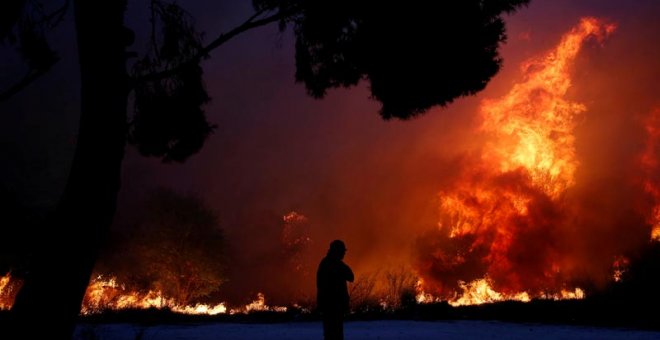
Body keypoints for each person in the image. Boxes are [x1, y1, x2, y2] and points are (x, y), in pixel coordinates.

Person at [316, 239, 354, 340]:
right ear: (337, 252)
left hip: (328, 306)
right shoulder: (336, 265)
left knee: (330, 334)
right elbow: (351, 276)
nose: (343, 254)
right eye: (342, 252)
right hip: (334, 307)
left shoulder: (324, 263)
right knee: (335, 334)